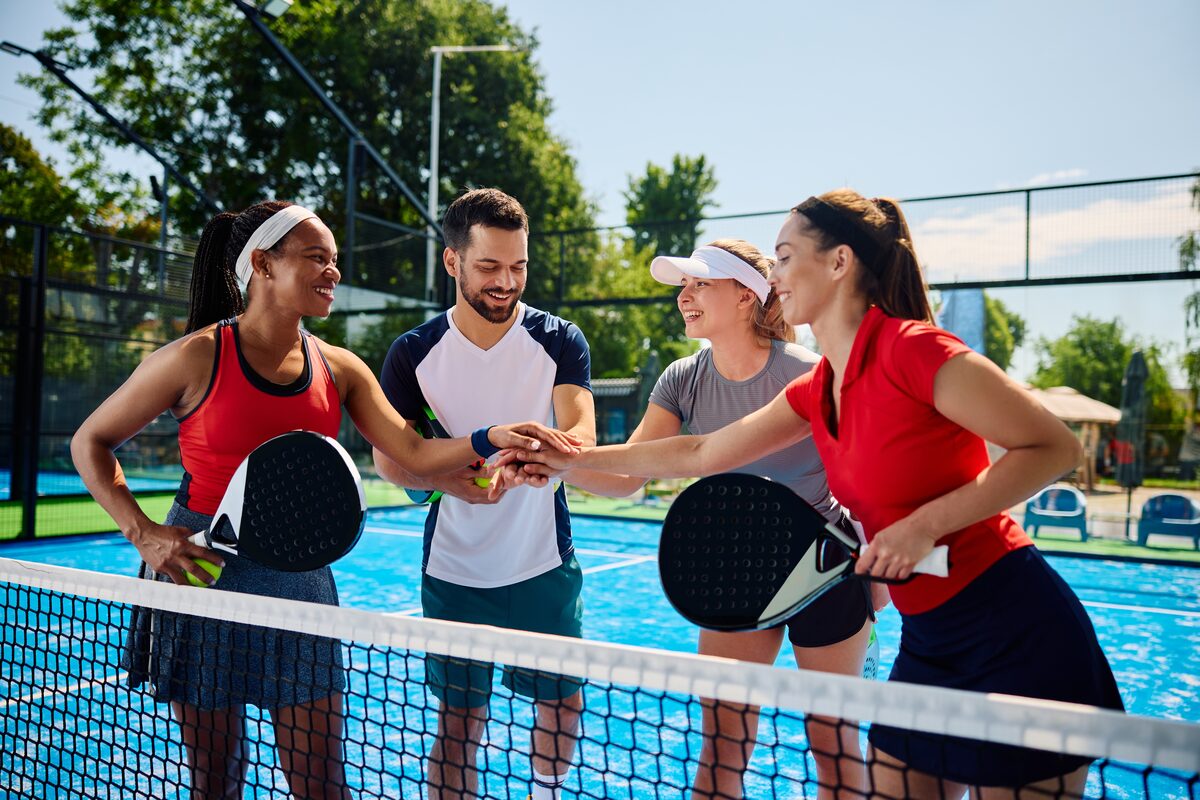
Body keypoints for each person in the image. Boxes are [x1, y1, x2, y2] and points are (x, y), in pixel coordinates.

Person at [496, 189, 1124, 799]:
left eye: (787, 256)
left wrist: (920, 527)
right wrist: (558, 459)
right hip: (929, 635)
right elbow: (697, 452)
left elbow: (1054, 449)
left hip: (1011, 623)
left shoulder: (915, 351)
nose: (779, 275)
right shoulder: (820, 387)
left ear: (839, 262)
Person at [71, 200, 578, 800]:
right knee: (216, 780)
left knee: (322, 783)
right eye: (317, 258)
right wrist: (144, 532)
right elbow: (91, 442)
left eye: (335, 259)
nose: (334, 271)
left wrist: (489, 438)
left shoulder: (339, 367)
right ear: (262, 264)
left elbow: (412, 454)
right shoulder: (195, 356)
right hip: (199, 573)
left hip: (302, 578)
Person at [535, 239, 875, 799]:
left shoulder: (814, 373)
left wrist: (876, 579)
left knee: (834, 750)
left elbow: (863, 476)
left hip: (824, 568)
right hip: (733, 573)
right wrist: (554, 465)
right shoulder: (681, 379)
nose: (684, 296)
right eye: (683, 286)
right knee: (719, 759)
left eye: (700, 284)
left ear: (746, 296)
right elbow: (627, 477)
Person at [373, 188, 596, 800]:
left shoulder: (559, 339)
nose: (506, 282)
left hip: (542, 565)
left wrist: (537, 457)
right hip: (453, 570)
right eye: (490, 267)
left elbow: (580, 432)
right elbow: (390, 459)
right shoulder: (412, 354)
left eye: (518, 266)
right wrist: (451, 481)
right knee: (459, 724)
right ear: (452, 262)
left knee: (563, 703)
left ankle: (547, 791)